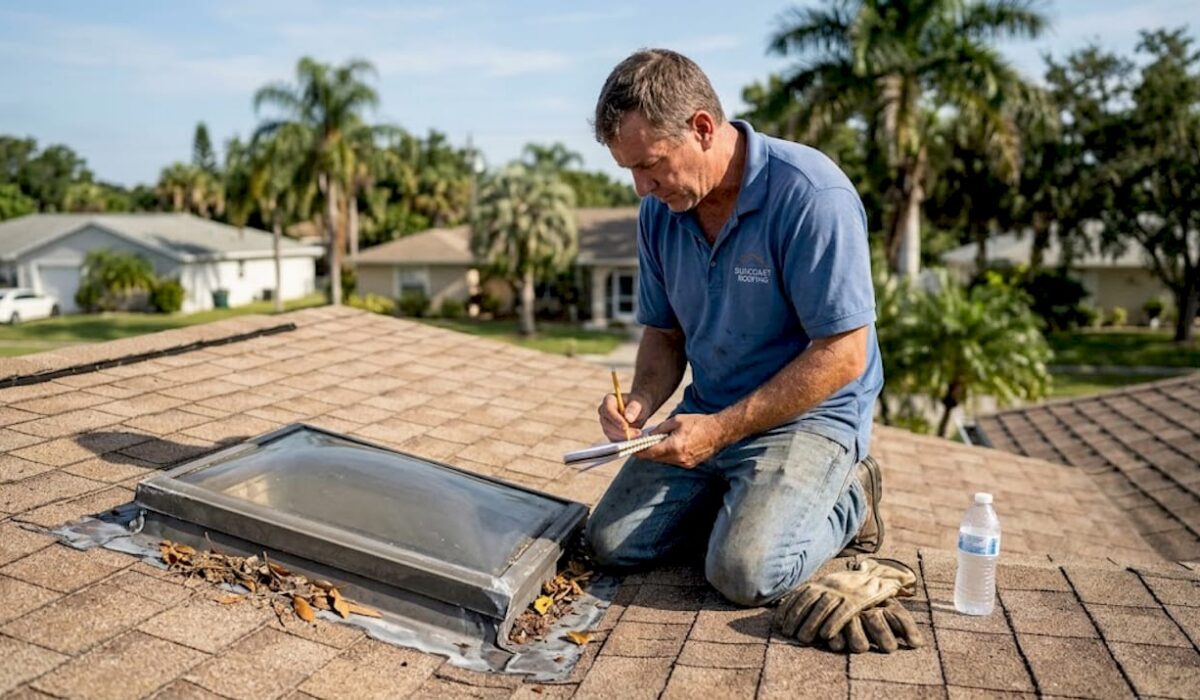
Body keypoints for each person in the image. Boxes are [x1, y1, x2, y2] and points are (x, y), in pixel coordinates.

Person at [585, 48, 885, 610]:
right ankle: (742, 504)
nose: (641, 188)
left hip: (808, 419)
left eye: (650, 165)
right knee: (610, 544)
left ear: (702, 128)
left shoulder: (811, 195)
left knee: (745, 573)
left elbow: (845, 353)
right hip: (709, 411)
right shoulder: (660, 213)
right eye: (629, 171)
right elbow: (664, 335)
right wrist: (641, 400)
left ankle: (851, 498)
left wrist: (720, 431)